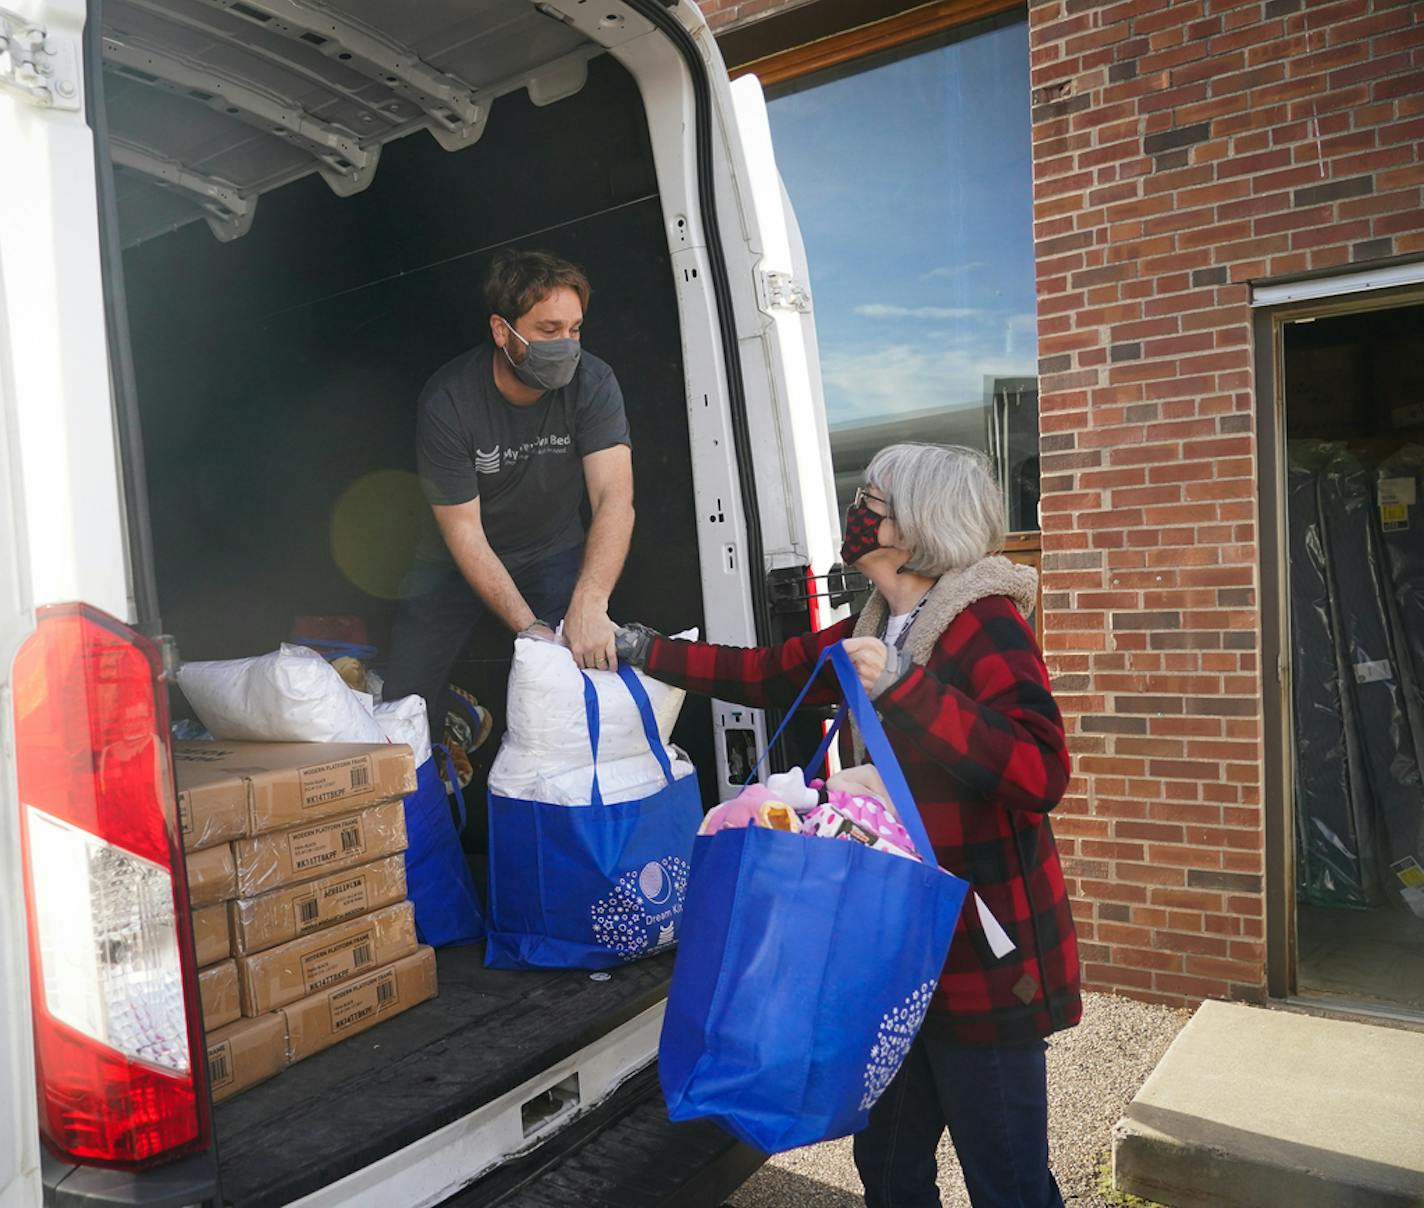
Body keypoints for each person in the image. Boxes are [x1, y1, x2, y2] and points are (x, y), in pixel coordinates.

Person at [617, 443, 1079, 1208]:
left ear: (916, 523)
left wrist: (906, 688)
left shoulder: (983, 624)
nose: (855, 510)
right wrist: (642, 650)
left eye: (873, 498)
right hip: (893, 952)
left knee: (1010, 1184)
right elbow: (763, 675)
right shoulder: (876, 621)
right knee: (891, 1169)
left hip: (978, 958)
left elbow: (1039, 773)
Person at [385, 248, 635, 732]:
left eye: (575, 329)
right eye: (548, 330)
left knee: (580, 680)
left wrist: (590, 600)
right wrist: (530, 629)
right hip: (451, 560)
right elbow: (465, 534)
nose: (566, 344)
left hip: (553, 549)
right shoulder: (449, 403)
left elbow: (614, 500)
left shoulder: (594, 382)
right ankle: (443, 732)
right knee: (406, 701)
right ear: (503, 331)